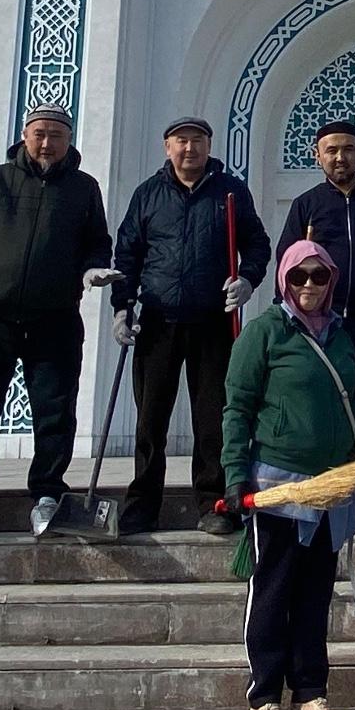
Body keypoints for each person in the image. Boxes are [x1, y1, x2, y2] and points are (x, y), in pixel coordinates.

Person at [0, 107, 119, 541]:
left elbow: (98, 241)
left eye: (56, 135)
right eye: (40, 134)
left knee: (55, 411)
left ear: (69, 140)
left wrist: (93, 269)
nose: (47, 143)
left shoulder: (83, 189)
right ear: (25, 136)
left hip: (55, 318)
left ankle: (47, 496)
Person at [222, 240, 355, 710]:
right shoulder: (264, 333)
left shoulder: (342, 336)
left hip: (329, 488)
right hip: (277, 486)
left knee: (315, 592)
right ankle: (264, 694)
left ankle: (309, 691)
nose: (308, 286)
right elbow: (237, 407)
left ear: (331, 281)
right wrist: (234, 475)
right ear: (284, 279)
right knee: (273, 588)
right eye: (299, 277)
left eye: (318, 277)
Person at [111, 115, 271, 537]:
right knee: (150, 418)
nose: (189, 149)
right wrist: (121, 307)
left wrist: (248, 278)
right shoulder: (149, 195)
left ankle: (214, 502)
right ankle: (143, 505)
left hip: (212, 322)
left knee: (212, 419)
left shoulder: (230, 191)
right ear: (167, 147)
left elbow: (257, 242)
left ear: (208, 146)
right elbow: (127, 253)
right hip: (158, 321)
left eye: (197, 141)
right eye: (181, 141)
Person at [275, 119, 355, 531]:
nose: (339, 157)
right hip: (319, 324)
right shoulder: (307, 205)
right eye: (330, 150)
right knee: (318, 406)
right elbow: (287, 264)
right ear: (318, 156)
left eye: (347, 148)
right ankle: (321, 491)